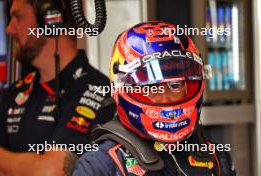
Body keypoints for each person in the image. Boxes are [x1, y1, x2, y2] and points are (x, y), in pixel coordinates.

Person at [73, 21, 236, 176]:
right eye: (150, 87)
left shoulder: (215, 156)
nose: (165, 97)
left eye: (175, 85)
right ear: (120, 87)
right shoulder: (100, 165)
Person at [0, 0, 115, 175]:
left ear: (50, 20)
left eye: (18, 17)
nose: (9, 29)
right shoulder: (13, 93)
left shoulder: (95, 89)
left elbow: (51, 171)